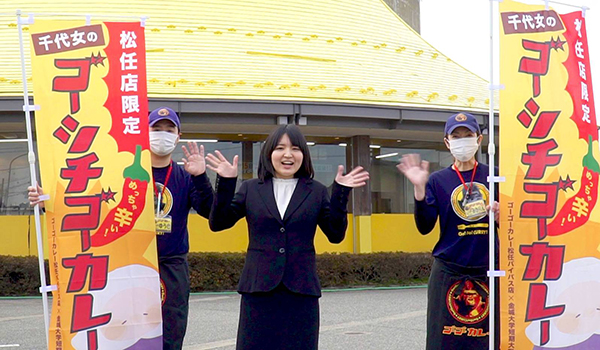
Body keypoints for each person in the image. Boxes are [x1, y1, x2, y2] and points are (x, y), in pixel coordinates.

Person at [28, 107, 214, 350]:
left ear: (179, 136)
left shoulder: (185, 176)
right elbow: (90, 206)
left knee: (171, 331)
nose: (163, 135)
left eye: (169, 130)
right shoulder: (125, 174)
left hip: (171, 266)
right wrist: (48, 202)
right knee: (124, 331)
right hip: (129, 263)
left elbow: (211, 213)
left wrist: (201, 177)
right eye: (156, 129)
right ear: (144, 133)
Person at [205, 124, 369, 350]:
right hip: (259, 289)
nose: (288, 154)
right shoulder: (251, 188)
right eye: (280, 148)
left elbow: (335, 234)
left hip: (301, 290)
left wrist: (340, 193)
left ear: (304, 154)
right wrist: (226, 182)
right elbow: (218, 222)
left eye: (295, 148)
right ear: (269, 154)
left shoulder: (317, 191)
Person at [396, 112, 500, 350]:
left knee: (489, 338)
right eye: (456, 136)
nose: (462, 141)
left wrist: (501, 214)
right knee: (444, 339)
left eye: (468, 135)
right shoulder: (438, 180)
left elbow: (514, 224)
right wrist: (419, 191)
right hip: (449, 271)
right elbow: (425, 227)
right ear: (447, 142)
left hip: (488, 271)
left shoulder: (494, 176)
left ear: (479, 140)